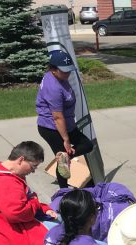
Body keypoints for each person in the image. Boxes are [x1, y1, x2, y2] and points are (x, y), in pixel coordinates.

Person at [36, 51, 94, 188]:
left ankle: (65, 157)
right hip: (52, 128)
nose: (67, 74)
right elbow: (57, 117)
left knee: (87, 145)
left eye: (69, 70)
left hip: (67, 125)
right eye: (64, 71)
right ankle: (63, 191)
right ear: (53, 69)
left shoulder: (58, 78)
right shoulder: (53, 88)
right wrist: (66, 140)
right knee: (63, 160)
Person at [0, 141, 58, 245]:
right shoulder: (6, 182)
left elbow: (23, 200)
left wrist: (43, 208)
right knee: (72, 234)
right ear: (20, 160)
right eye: (33, 166)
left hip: (9, 231)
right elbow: (15, 213)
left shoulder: (5, 172)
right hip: (15, 239)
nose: (33, 171)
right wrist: (34, 202)